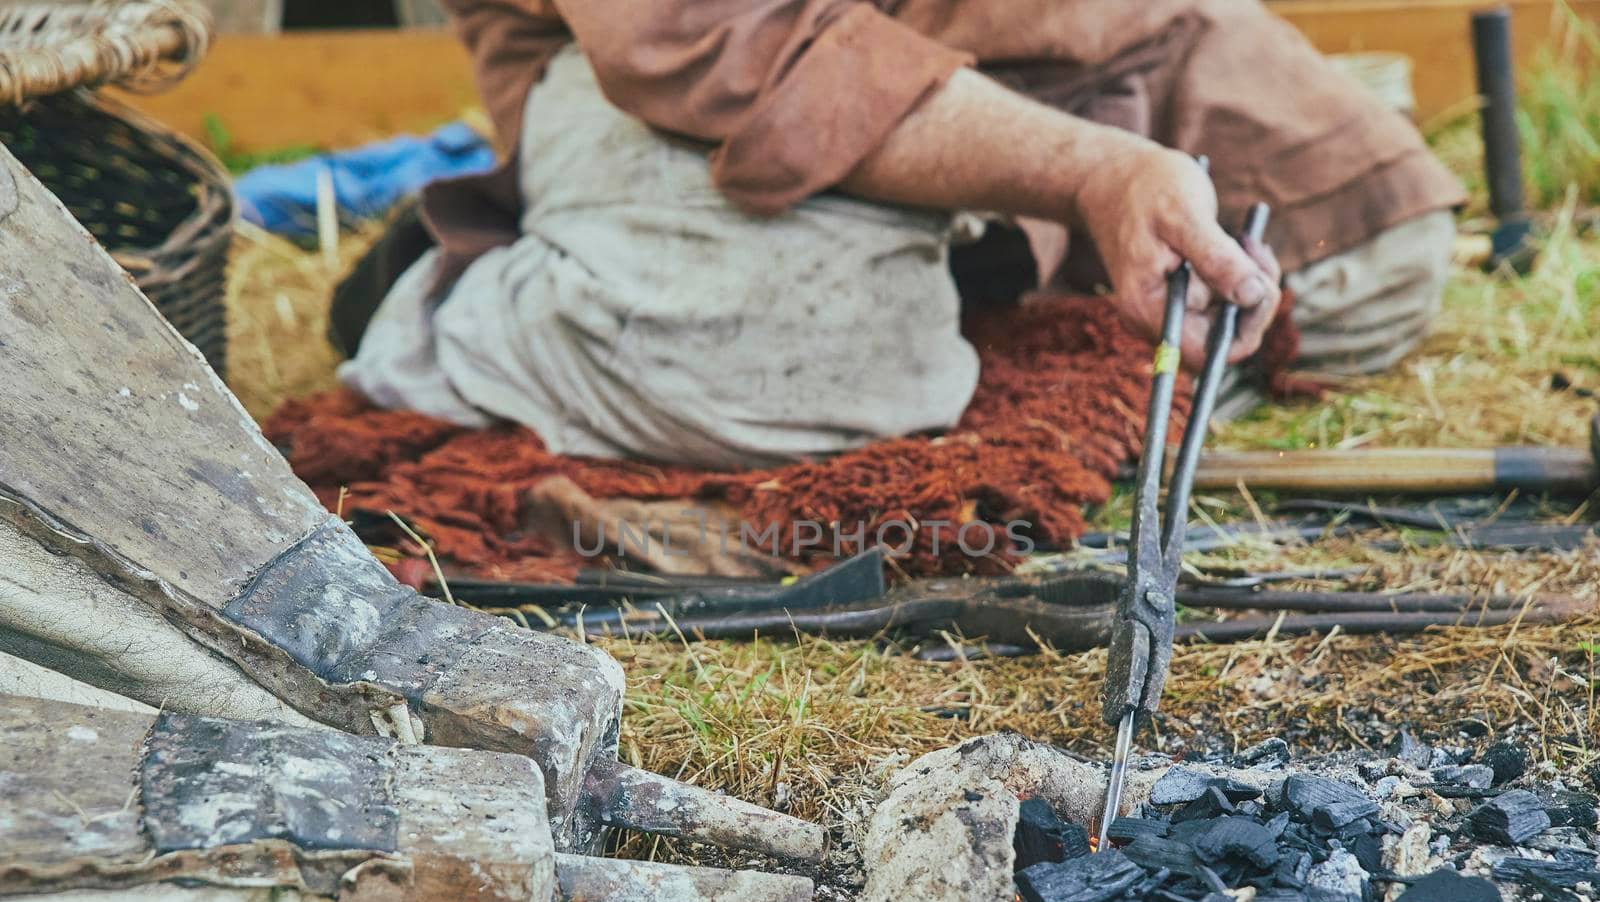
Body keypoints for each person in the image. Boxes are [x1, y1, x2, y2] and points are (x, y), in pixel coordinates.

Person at [338, 0, 1463, 471]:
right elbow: (733, 45)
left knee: (1372, 253)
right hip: (693, 67)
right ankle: (470, 299)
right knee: (840, 364)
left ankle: (970, 266)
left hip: (1022, 42)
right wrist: (1091, 172)